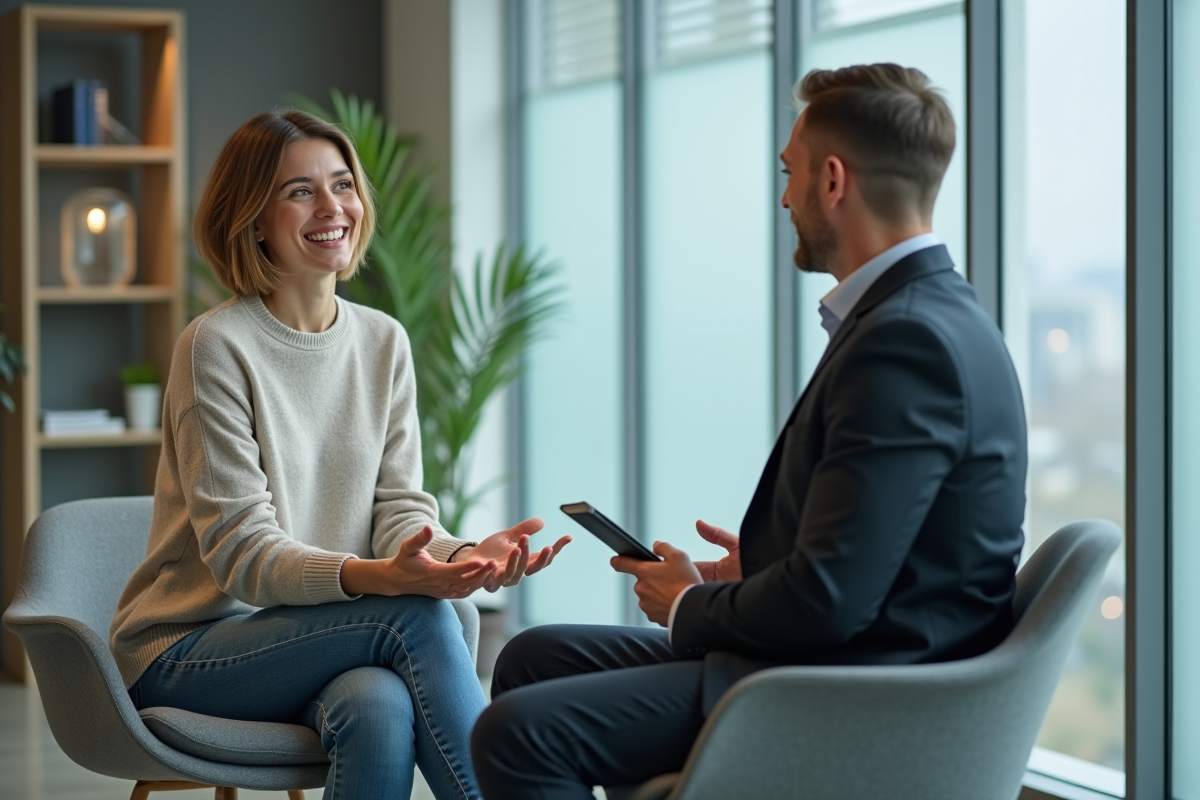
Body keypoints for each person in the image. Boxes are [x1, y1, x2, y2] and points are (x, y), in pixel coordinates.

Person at [470, 63, 1028, 799]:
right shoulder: (926, 315)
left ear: (833, 180)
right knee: (532, 658)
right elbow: (877, 548)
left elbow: (830, 600)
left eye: (789, 172)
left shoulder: (905, 342)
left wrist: (689, 602)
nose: (784, 197)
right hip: (851, 653)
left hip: (854, 694)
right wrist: (762, 568)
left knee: (517, 732)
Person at [108, 109, 570, 800]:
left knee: (378, 709)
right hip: (188, 650)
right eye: (300, 191)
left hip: (322, 639)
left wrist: (458, 557)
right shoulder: (216, 347)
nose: (333, 208)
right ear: (254, 218)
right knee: (413, 615)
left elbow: (399, 511)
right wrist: (382, 579)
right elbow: (243, 556)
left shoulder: (384, 342)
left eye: (343, 184)